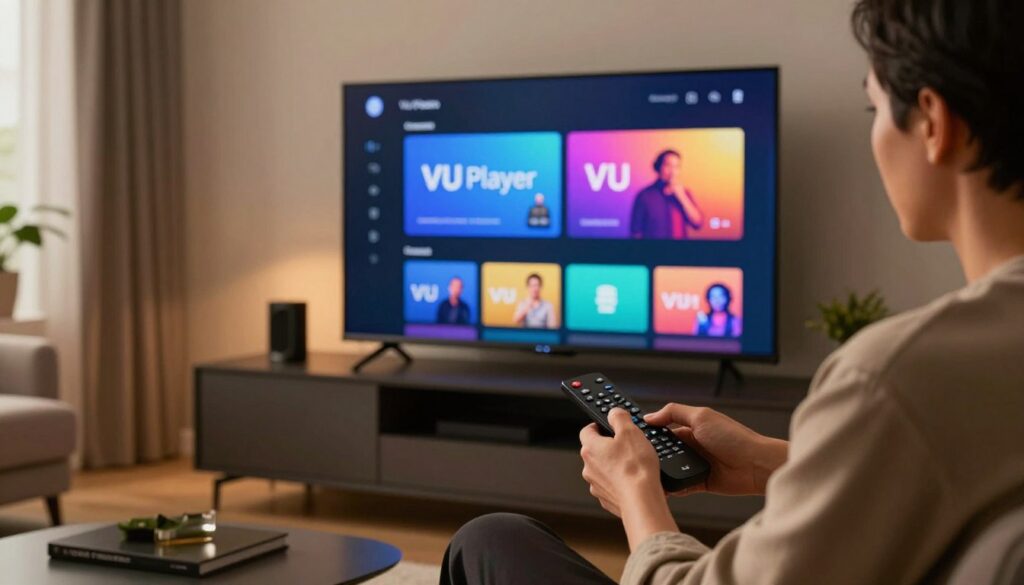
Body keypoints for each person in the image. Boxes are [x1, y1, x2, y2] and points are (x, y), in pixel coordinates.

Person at [441, 0, 1024, 583]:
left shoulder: (892, 378)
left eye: (873, 107)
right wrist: (777, 463)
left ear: (931, 122)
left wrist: (640, 494)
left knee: (488, 539)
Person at [630, 149, 703, 240]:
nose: (672, 172)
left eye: (676, 167)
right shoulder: (645, 196)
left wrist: (681, 197)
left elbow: (697, 223)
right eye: (668, 166)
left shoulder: (684, 193)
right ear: (658, 167)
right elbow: (636, 232)